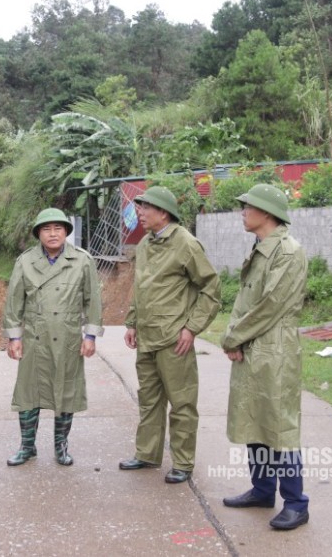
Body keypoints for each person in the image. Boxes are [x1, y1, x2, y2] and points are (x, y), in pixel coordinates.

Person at [221, 183, 310, 531]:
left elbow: (270, 306)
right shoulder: (261, 246)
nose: (243, 212)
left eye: (248, 207)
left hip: (274, 349)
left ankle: (296, 502)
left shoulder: (287, 252)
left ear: (267, 213)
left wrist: (233, 336)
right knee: (255, 418)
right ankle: (262, 489)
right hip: (254, 346)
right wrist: (237, 338)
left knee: (280, 424)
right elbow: (247, 300)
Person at [118, 186, 219, 484]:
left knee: (182, 402)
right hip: (147, 337)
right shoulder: (147, 244)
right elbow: (142, 286)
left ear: (163, 212)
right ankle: (147, 454)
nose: (140, 212)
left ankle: (183, 462)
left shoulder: (186, 244)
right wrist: (132, 322)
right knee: (149, 399)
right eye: (140, 207)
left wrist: (191, 328)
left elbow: (211, 290)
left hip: (174, 340)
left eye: (145, 208)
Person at [3, 208, 103, 467]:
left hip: (67, 337)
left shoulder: (82, 260)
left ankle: (61, 446)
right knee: (28, 392)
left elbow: (93, 301)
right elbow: (14, 303)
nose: (53, 233)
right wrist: (14, 338)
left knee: (65, 392)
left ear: (66, 232)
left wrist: (90, 335)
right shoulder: (25, 261)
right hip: (35, 338)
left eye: (58, 228)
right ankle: (27, 447)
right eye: (46, 229)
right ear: (38, 234)